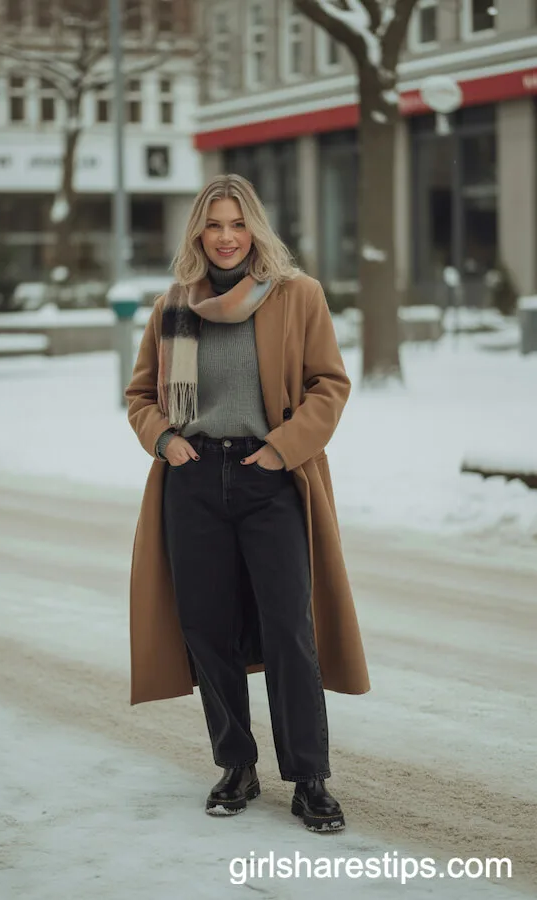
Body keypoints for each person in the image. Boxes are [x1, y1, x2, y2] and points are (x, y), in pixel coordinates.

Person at [125, 174, 370, 833]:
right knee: (207, 629)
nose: (226, 238)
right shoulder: (174, 304)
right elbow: (141, 395)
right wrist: (166, 440)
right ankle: (236, 764)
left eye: (237, 224)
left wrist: (283, 447)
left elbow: (329, 385)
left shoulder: (297, 297)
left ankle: (310, 777)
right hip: (195, 479)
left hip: (271, 479)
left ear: (254, 228)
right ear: (198, 234)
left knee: (289, 628)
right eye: (213, 226)